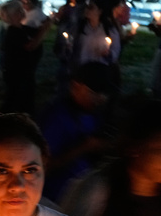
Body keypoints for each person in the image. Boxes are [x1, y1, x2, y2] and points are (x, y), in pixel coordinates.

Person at [38, 62, 113, 203]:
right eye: (94, 92)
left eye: (104, 93)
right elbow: (42, 166)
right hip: (55, 198)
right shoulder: (56, 118)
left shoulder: (92, 113)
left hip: (81, 192)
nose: (101, 98)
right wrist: (83, 148)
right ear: (75, 86)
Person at [0, 0, 48, 116]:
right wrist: (45, 28)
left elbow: (37, 33)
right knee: (16, 101)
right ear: (12, 15)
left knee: (21, 101)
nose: (22, 12)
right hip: (17, 74)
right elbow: (30, 46)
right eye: (18, 11)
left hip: (26, 73)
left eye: (22, 9)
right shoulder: (12, 32)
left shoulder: (23, 28)